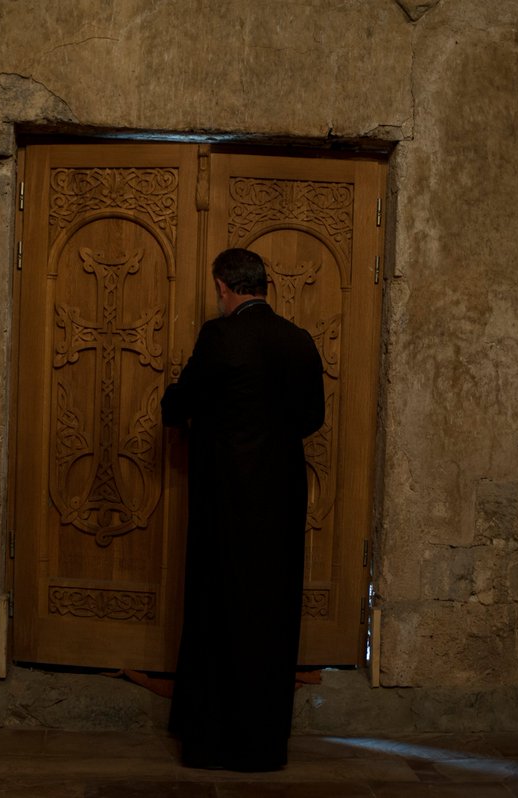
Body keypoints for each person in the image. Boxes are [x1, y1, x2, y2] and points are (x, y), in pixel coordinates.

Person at [162, 247, 326, 772]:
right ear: (263, 286)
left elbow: (180, 403)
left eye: (218, 291)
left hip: (223, 498)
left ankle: (211, 743)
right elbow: (312, 417)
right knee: (270, 612)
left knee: (217, 606)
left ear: (224, 287)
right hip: (279, 500)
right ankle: (263, 747)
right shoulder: (298, 341)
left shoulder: (219, 336)